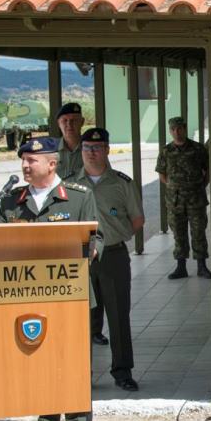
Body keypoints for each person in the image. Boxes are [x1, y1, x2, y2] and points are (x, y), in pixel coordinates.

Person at [0, 136, 100, 421]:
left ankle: (77, 419)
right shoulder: (11, 200)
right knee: (37, 355)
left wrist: (91, 250)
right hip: (27, 294)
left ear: (52, 163)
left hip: (69, 292)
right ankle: (46, 418)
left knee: (71, 356)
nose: (25, 165)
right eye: (23, 160)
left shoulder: (79, 197)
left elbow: (97, 237)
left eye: (32, 160)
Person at [76, 127, 144, 391]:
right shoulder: (69, 184)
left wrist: (115, 236)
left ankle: (122, 371)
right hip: (80, 259)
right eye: (87, 148)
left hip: (113, 256)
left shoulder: (122, 183)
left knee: (118, 316)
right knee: (81, 319)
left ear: (106, 150)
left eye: (97, 147)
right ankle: (81, 373)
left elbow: (137, 219)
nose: (91, 153)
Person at [156, 116, 211, 279]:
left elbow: (208, 170)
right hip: (175, 201)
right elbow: (162, 174)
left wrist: (200, 186)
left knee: (198, 233)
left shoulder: (198, 148)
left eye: (179, 129)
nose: (176, 132)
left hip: (196, 200)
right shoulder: (166, 151)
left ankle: (202, 266)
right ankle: (181, 267)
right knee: (178, 234)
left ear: (185, 129)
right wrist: (174, 187)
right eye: (173, 129)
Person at [54, 102, 86, 180]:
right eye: (65, 120)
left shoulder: (92, 149)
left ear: (82, 122)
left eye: (74, 120)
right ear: (58, 123)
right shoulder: (50, 150)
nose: (69, 124)